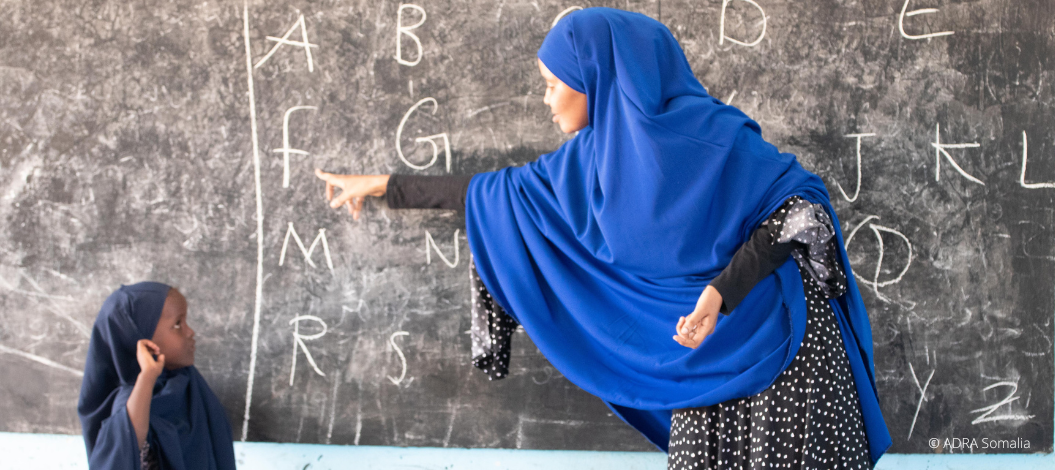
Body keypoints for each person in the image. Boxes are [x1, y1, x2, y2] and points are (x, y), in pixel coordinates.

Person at [315, 7, 891, 469]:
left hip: (780, 347)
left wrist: (718, 294)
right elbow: (491, 194)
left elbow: (798, 208)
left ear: (597, 77)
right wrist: (384, 186)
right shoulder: (585, 164)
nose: (545, 100)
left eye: (551, 85)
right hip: (696, 356)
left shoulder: (711, 135)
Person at [77, 282, 236, 470]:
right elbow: (126, 452)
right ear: (140, 338)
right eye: (177, 324)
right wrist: (147, 376)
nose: (190, 332)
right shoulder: (130, 401)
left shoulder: (187, 382)